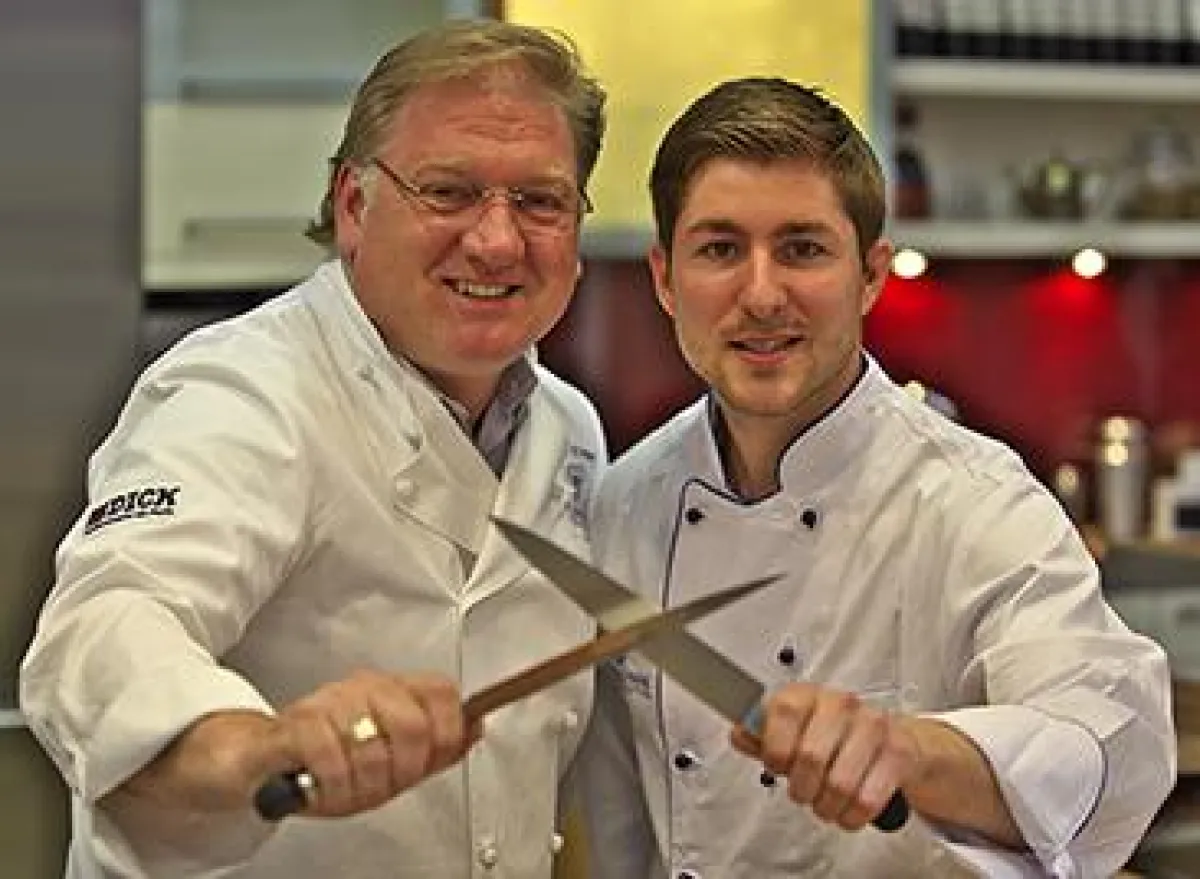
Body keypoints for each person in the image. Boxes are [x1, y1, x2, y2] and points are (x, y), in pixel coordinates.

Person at [20, 18, 608, 878]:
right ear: (353, 205)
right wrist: (266, 744)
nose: (496, 239)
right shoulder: (246, 394)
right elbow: (108, 625)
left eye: (540, 201)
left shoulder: (569, 432)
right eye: (448, 191)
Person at [578, 77, 1175, 878]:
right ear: (664, 276)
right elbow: (610, 817)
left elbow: (1107, 738)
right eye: (720, 248)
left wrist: (908, 748)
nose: (761, 294)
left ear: (870, 275)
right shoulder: (625, 502)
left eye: (802, 248)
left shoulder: (973, 500)